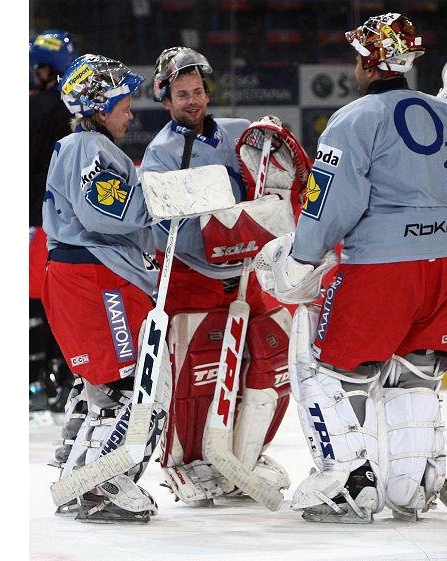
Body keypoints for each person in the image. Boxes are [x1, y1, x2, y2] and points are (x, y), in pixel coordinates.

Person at [254, 12, 447, 523]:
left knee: (324, 371)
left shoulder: (353, 119)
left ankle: (346, 487)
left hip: (382, 271)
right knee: (416, 375)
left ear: (369, 62)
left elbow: (331, 204)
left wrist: (301, 255)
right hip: (446, 266)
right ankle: (410, 488)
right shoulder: (446, 112)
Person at [139, 47, 295, 506]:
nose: (193, 100)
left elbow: (268, 178)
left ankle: (244, 455)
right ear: (165, 100)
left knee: (274, 358)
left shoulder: (235, 132)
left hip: (246, 274)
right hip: (192, 277)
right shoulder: (160, 154)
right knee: (193, 373)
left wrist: (273, 142)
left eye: (198, 91)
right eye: (182, 93)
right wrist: (224, 234)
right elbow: (161, 227)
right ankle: (182, 462)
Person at [42, 53, 173, 523]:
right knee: (130, 389)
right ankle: (99, 486)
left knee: (113, 386)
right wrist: (166, 196)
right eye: (123, 103)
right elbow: (108, 213)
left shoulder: (86, 146)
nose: (130, 112)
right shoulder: (86, 148)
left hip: (95, 275)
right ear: (99, 105)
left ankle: (83, 475)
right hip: (96, 277)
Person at [29, 29, 78, 414]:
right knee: (52, 302)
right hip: (57, 220)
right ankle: (59, 379)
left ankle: (39, 380)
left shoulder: (38, 108)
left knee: (35, 303)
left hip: (35, 220)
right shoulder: (68, 110)